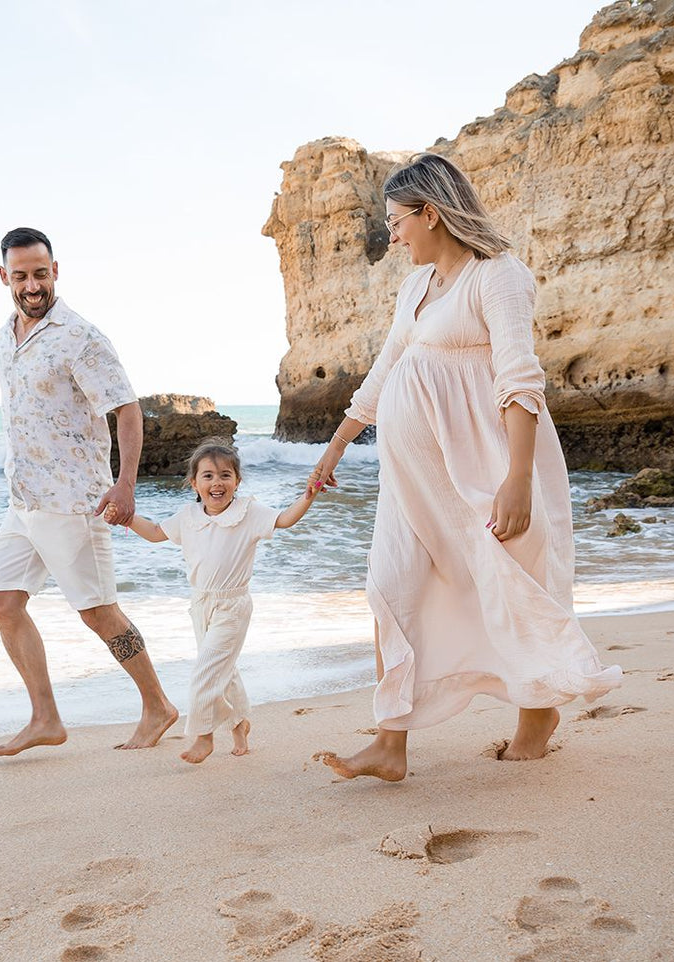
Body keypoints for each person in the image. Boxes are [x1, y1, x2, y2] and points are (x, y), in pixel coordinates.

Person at [309, 154, 621, 782]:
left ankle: (537, 716)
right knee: (389, 588)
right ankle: (389, 744)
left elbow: (518, 378)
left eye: (397, 221)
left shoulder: (498, 276)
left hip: (482, 465)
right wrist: (335, 445)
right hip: (410, 480)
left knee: (509, 581)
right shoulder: (414, 287)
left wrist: (518, 478)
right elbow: (386, 367)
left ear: (431, 213)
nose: (391, 235)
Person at [0, 227, 178, 756]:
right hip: (23, 500)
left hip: (75, 502)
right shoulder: (5, 335)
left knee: (98, 611)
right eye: (20, 275)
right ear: (4, 276)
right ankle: (45, 718)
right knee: (3, 604)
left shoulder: (81, 337)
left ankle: (158, 705)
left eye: (40, 273)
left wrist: (126, 484)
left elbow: (127, 409)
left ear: (56, 271)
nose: (31, 285)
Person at [108, 440, 320, 763]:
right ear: (194, 483)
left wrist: (308, 495)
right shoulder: (188, 516)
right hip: (200, 605)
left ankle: (203, 737)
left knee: (206, 670)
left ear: (237, 481)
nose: (216, 483)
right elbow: (153, 531)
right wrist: (126, 518)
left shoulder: (248, 512)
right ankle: (239, 723)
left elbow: (286, 519)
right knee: (225, 669)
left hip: (232, 607)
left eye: (225, 475)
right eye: (207, 476)